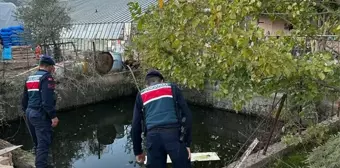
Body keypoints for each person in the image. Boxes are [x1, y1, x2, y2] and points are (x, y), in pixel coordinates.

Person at [131, 69, 193, 168]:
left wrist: (138, 151)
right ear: (162, 81)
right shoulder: (172, 88)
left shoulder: (141, 95)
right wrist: (187, 143)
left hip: (153, 139)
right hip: (174, 136)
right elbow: (187, 115)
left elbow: (135, 126)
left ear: (147, 84)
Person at [21, 55, 59, 168]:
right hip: (39, 114)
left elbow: (24, 99)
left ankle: (40, 164)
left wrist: (25, 112)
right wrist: (53, 116)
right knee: (43, 144)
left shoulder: (30, 78)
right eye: (53, 67)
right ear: (49, 67)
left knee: (37, 143)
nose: (54, 70)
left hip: (29, 113)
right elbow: (47, 101)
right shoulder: (47, 78)